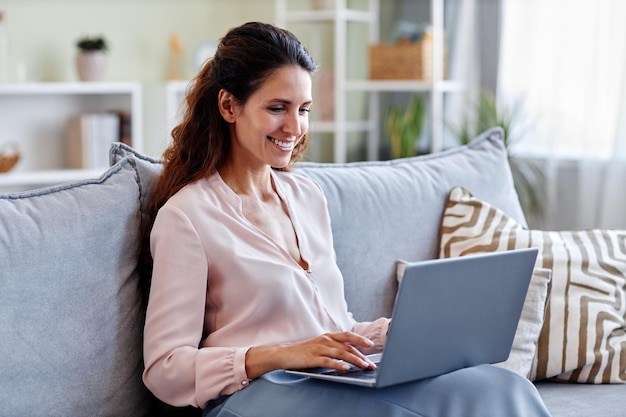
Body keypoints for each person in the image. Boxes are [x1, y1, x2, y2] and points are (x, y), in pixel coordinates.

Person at [142, 21, 552, 417]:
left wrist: (403, 331)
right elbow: (165, 370)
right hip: (261, 396)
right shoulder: (187, 217)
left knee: (501, 387)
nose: (294, 127)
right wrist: (283, 353)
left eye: (303, 109)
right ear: (229, 105)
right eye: (277, 108)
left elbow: (335, 325)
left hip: (334, 379)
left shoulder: (307, 197)